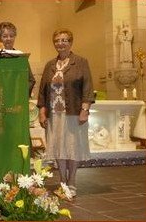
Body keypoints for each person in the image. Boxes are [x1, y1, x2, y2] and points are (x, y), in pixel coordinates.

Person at [37, 28, 95, 197]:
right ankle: (62, 180)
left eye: (64, 40)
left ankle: (72, 181)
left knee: (73, 147)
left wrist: (85, 109)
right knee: (58, 147)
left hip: (74, 112)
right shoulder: (49, 65)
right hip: (54, 114)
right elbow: (42, 91)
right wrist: (42, 111)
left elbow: (88, 87)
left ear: (70, 42)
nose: (60, 43)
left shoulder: (81, 62)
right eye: (57, 40)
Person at [0, 21, 36, 97]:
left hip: (17, 99)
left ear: (15, 37)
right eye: (5, 36)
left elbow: (31, 80)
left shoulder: (21, 56)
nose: (9, 39)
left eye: (11, 36)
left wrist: (21, 93)